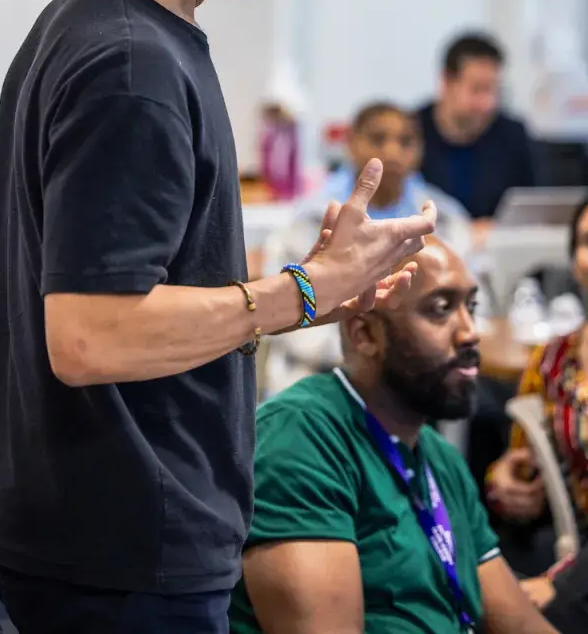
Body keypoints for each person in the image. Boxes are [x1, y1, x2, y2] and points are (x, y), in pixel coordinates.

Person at [0, 0, 436, 634]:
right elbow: (92, 334)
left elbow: (138, 292)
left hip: (90, 536)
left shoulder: (104, 30)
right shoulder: (131, 64)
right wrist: (300, 291)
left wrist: (310, 296)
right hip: (121, 554)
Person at [229, 236, 558, 634]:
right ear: (364, 334)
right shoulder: (301, 437)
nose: (470, 332)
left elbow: (520, 624)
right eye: (440, 310)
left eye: (470, 307)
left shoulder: (438, 457)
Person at [260, 102, 468, 397]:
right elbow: (283, 303)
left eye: (406, 141)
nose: (393, 151)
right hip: (324, 365)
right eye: (378, 138)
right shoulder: (312, 219)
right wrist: (369, 352)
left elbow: (469, 296)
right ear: (351, 143)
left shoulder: (444, 218)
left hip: (420, 365)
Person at [485, 198, 588, 631]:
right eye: (585, 241)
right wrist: (505, 483)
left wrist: (564, 586)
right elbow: (524, 464)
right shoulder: (554, 358)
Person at [418, 32, 536, 234]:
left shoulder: (512, 134)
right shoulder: (412, 132)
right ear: (447, 82)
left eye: (494, 90)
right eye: (477, 90)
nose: (487, 103)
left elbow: (531, 209)